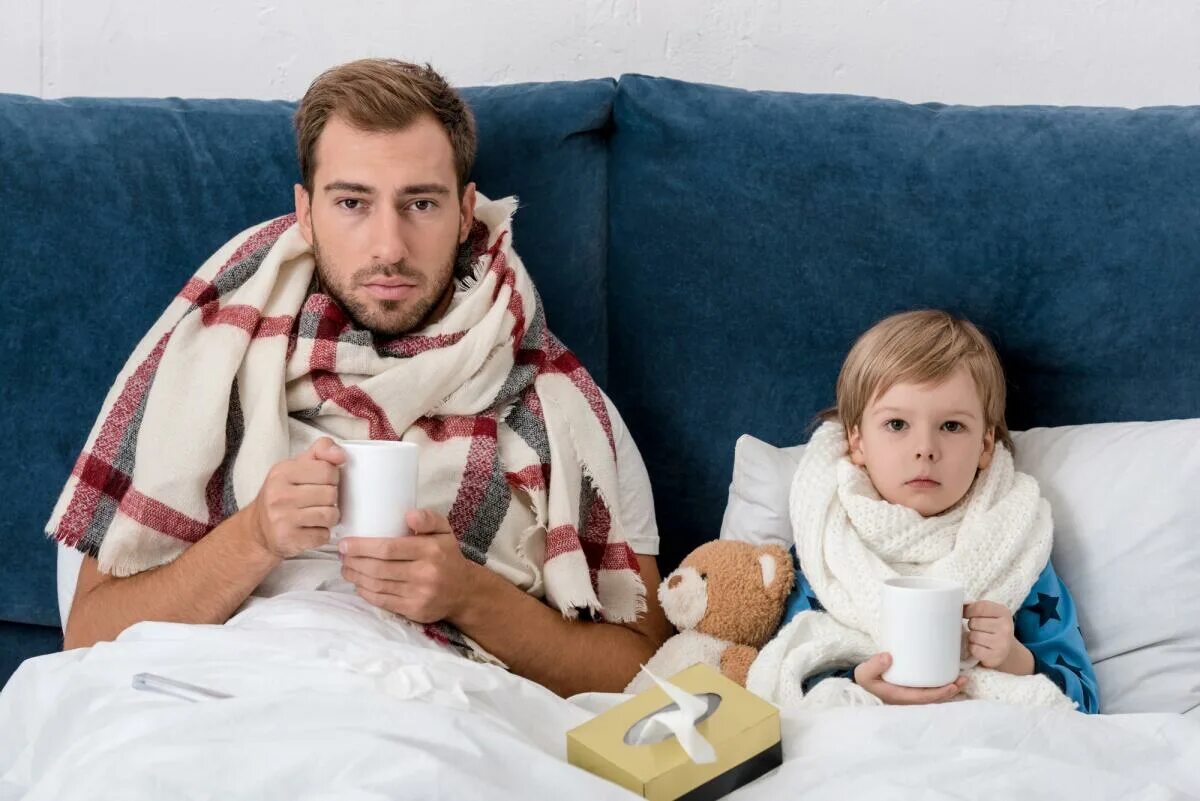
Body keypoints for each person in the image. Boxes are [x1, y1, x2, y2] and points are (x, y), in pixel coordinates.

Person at [48, 58, 671, 697]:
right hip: (222, 698)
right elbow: (88, 637)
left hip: (437, 708)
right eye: (352, 202)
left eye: (420, 203)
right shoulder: (204, 367)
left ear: (464, 212)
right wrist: (255, 534)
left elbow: (643, 669)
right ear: (306, 211)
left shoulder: (559, 403)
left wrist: (468, 595)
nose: (388, 247)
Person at [748, 310, 1099, 712]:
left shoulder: (1018, 545)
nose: (925, 448)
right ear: (857, 443)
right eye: (897, 425)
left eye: (951, 426)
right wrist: (857, 685)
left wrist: (1015, 660)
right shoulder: (826, 547)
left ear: (985, 446)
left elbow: (1086, 702)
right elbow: (782, 681)